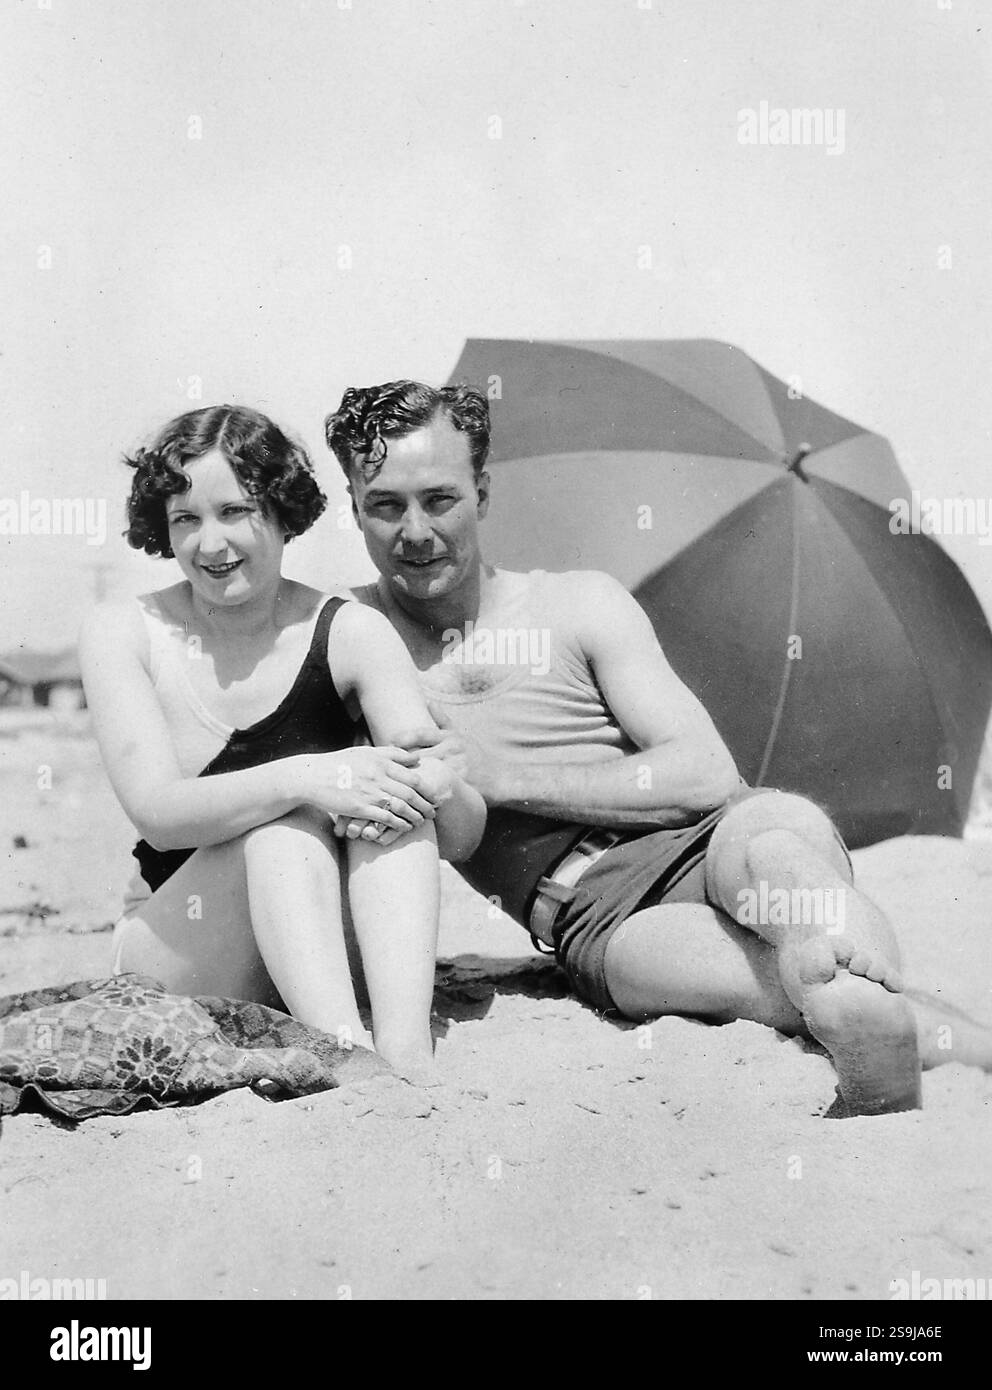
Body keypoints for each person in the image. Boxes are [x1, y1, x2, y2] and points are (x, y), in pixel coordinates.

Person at [324, 379, 992, 1117]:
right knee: (760, 978)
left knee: (781, 858)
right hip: (594, 907)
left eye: (439, 499)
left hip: (720, 833)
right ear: (354, 506)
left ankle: (852, 993)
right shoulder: (349, 639)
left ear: (481, 493)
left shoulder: (578, 603)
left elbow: (706, 775)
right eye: (386, 505)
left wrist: (499, 775)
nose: (416, 531)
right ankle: (869, 1009)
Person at [79, 404, 486, 1080]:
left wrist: (442, 785)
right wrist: (308, 778)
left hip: (325, 944)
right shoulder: (126, 631)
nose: (211, 544)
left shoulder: (351, 632)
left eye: (235, 511)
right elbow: (158, 814)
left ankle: (406, 1052)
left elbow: (461, 838)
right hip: (184, 950)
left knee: (393, 800)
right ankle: (342, 1057)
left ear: (282, 510)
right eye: (186, 519)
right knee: (285, 830)